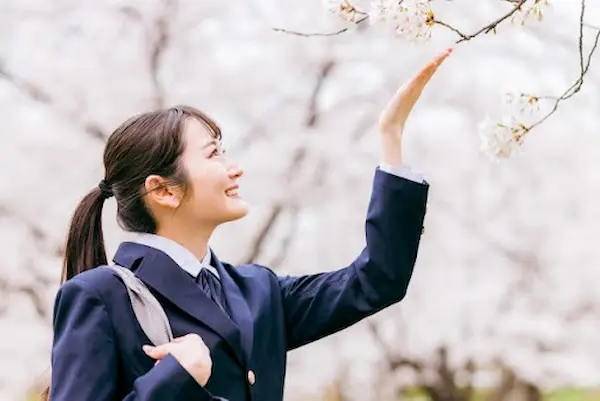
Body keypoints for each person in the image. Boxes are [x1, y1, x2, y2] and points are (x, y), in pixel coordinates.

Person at [49, 48, 453, 401]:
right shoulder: (100, 295)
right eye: (213, 155)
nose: (235, 168)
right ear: (164, 191)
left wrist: (391, 139)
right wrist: (175, 379)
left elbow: (377, 280)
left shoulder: (258, 290)